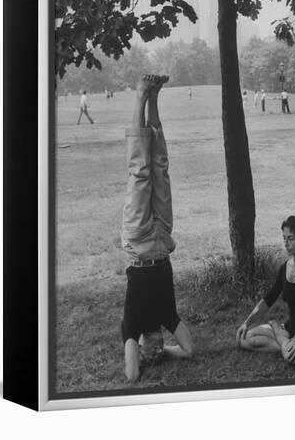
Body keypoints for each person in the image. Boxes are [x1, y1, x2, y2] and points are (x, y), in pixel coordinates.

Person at [121, 74, 194, 382]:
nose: (155, 350)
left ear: (139, 347)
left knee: (140, 172)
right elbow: (189, 350)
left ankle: (140, 95)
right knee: (161, 168)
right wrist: (168, 353)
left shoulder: (132, 326)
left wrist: (140, 354)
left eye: (150, 351)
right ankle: (154, 99)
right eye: (159, 350)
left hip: (138, 240)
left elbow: (131, 376)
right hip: (163, 237)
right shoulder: (167, 318)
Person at [236, 216, 295, 365]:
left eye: (290, 238)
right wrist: (247, 322)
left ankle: (278, 331)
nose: (285, 243)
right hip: (290, 327)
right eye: (284, 238)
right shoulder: (285, 267)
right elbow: (269, 298)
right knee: (243, 339)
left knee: (293, 359)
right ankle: (286, 343)